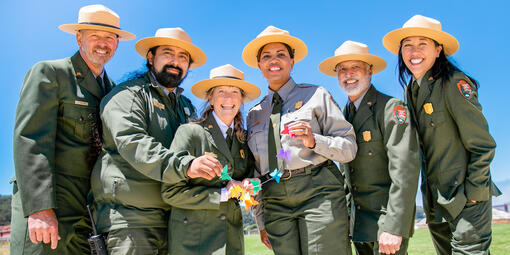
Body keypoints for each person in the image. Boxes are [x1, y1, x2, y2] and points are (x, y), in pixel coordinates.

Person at [11, 5, 134, 254]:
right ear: (79, 37)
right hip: (50, 208)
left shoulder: (113, 92)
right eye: (95, 36)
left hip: (88, 215)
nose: (103, 44)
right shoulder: (51, 73)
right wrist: (39, 208)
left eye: (110, 37)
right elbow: (31, 139)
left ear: (117, 43)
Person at [383, 14, 501, 254]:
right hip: (435, 203)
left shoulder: (453, 83)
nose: (414, 51)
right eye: (408, 45)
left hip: (466, 198)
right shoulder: (410, 91)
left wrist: (475, 194)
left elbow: (483, 144)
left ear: (438, 50)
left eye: (422, 44)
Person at [243, 25, 357, 254]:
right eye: (266, 56)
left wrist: (314, 141)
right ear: (259, 65)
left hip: (318, 191)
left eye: (281, 55)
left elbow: (349, 148)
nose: (273, 61)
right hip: (275, 200)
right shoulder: (253, 114)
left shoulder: (316, 95)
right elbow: (255, 172)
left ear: (292, 61)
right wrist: (260, 220)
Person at [90, 27, 205, 254]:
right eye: (168, 53)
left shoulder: (186, 107)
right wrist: (187, 166)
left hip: (175, 221)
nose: (175, 61)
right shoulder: (127, 95)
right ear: (151, 57)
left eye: (183, 57)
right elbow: (134, 143)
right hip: (131, 221)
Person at [319, 40, 420, 255]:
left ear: (369, 70)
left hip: (386, 222)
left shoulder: (391, 108)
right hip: (360, 225)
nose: (349, 74)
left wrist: (395, 226)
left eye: (355, 67)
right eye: (342, 69)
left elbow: (405, 171)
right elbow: (347, 177)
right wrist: (347, 218)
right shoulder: (343, 117)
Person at [161, 64, 261, 254]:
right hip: (195, 242)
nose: (228, 98)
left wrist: (251, 184)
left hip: (232, 240)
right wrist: (224, 193)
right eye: (221, 91)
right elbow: (170, 193)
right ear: (210, 98)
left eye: (234, 91)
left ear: (241, 99)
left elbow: (249, 179)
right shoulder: (190, 133)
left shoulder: (243, 140)